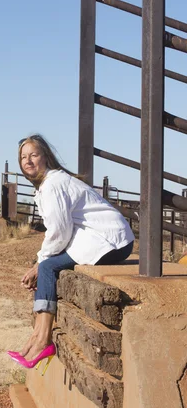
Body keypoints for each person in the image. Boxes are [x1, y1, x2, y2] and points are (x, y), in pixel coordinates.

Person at [7, 134, 134, 371]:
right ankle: (35, 338)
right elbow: (60, 233)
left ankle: (42, 341)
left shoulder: (54, 184)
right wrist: (40, 262)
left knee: (47, 266)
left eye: (34, 155)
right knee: (46, 266)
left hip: (109, 239)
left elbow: (59, 232)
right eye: (23, 157)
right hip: (99, 238)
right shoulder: (49, 185)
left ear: (45, 157)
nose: (28, 161)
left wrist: (39, 263)